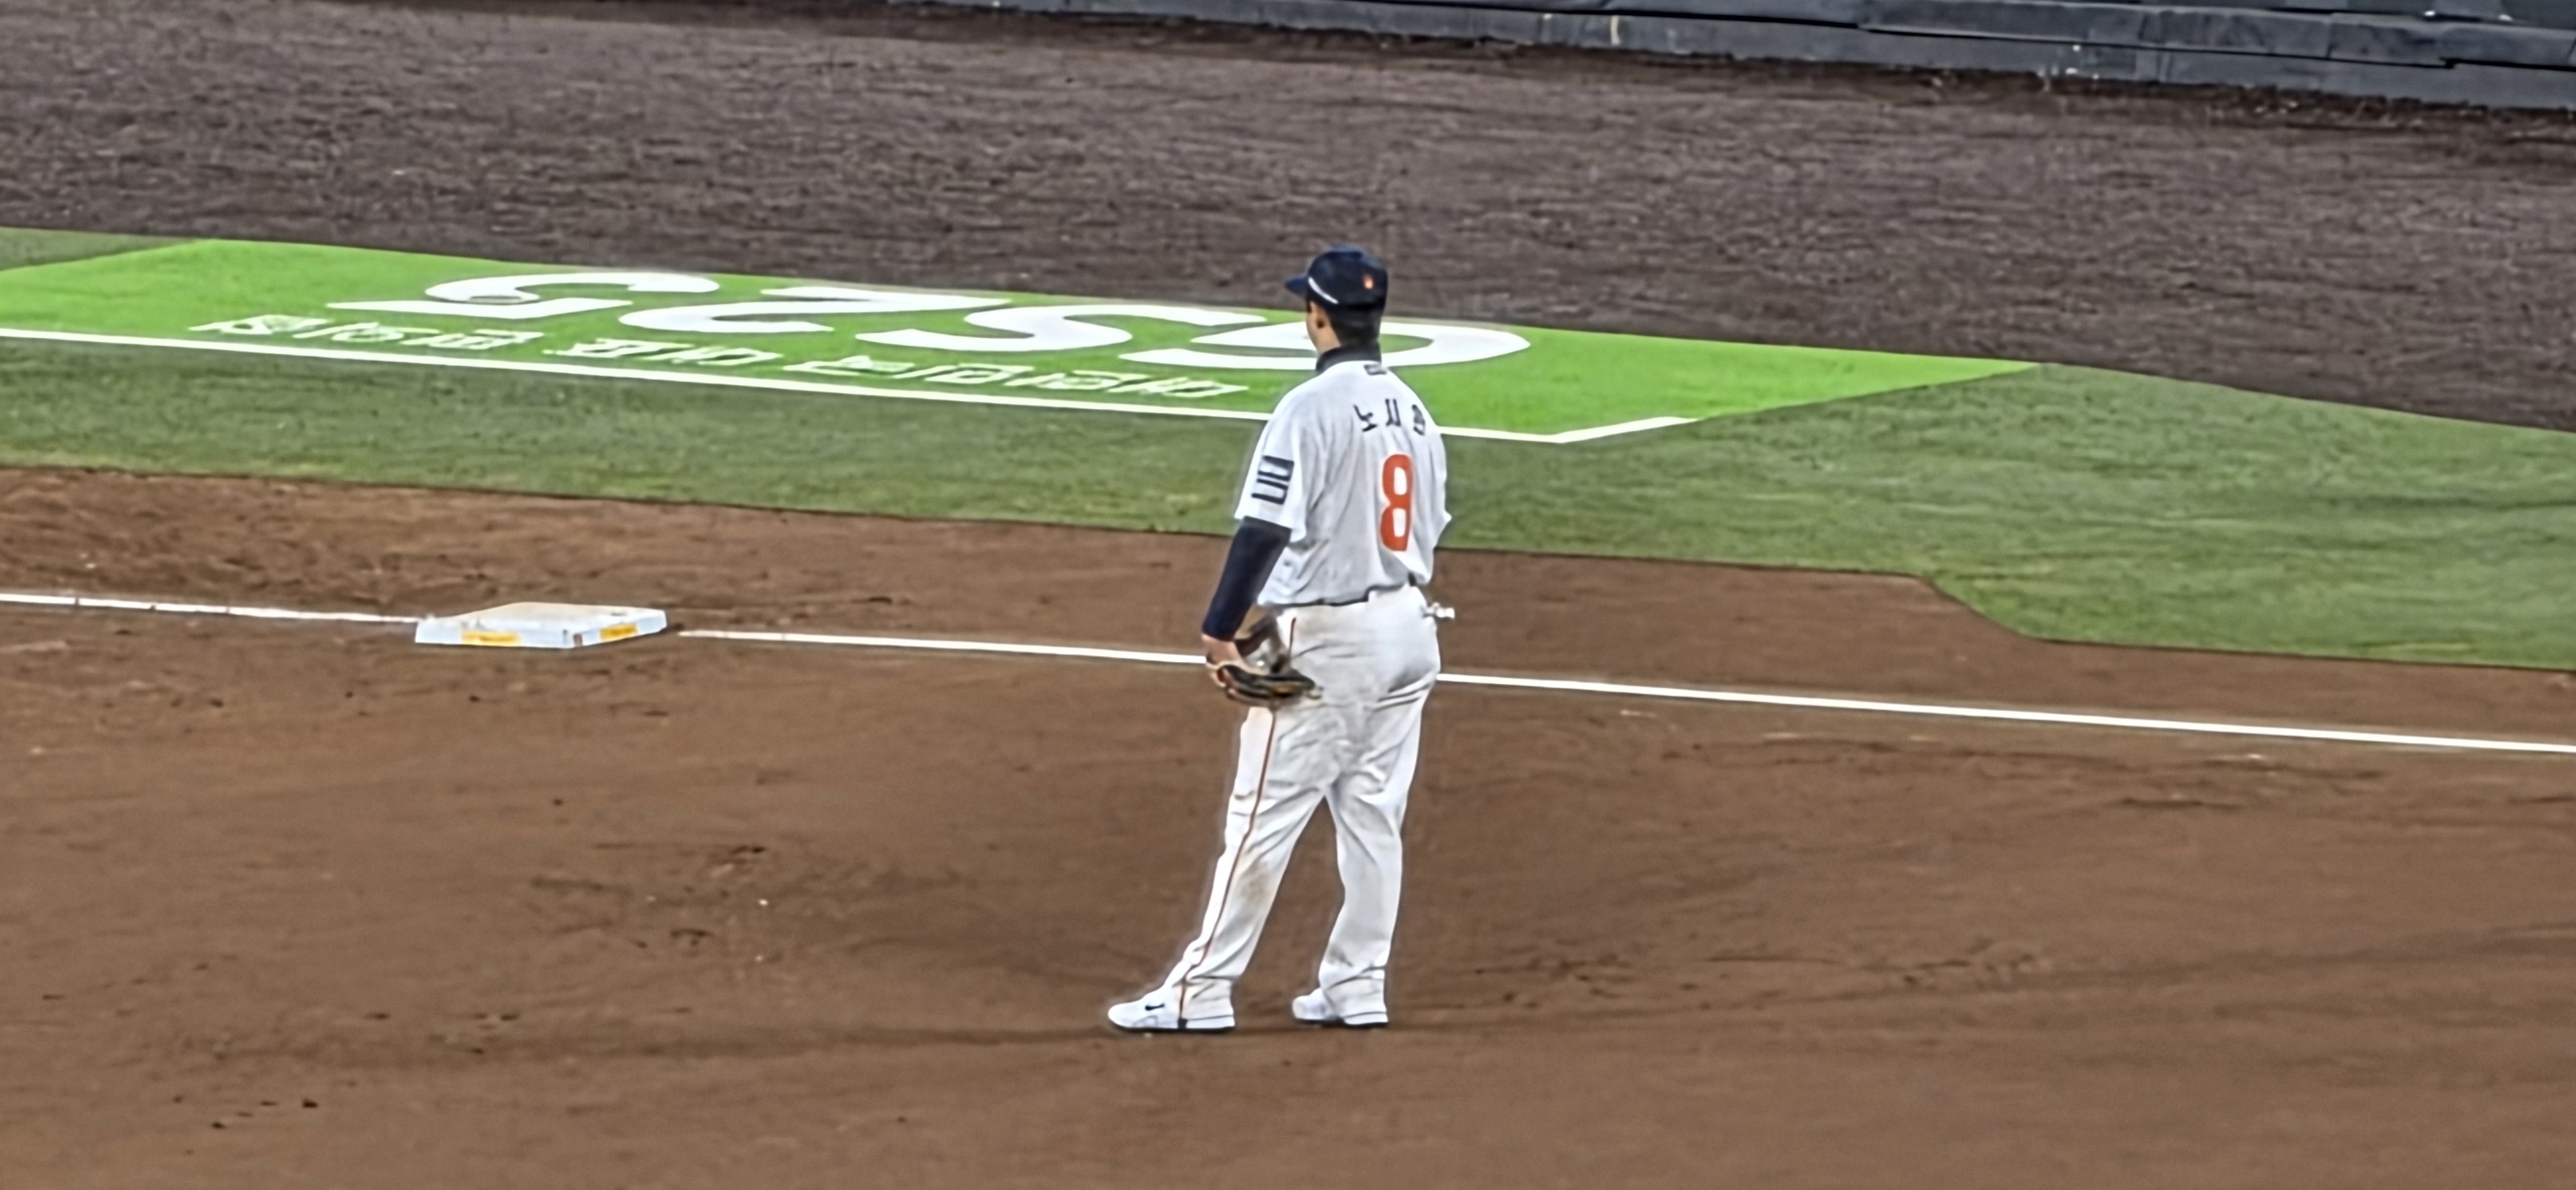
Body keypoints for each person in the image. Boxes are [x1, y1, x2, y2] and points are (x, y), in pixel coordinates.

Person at [1108, 245, 1450, 1033]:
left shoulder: (1310, 407)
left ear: (1317, 315)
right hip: (1410, 627)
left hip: (1333, 639)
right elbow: (1431, 523)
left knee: (1260, 817)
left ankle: (1199, 993)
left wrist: (1218, 629)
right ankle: (1357, 984)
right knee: (1371, 815)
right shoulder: (1414, 409)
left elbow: (1265, 527)